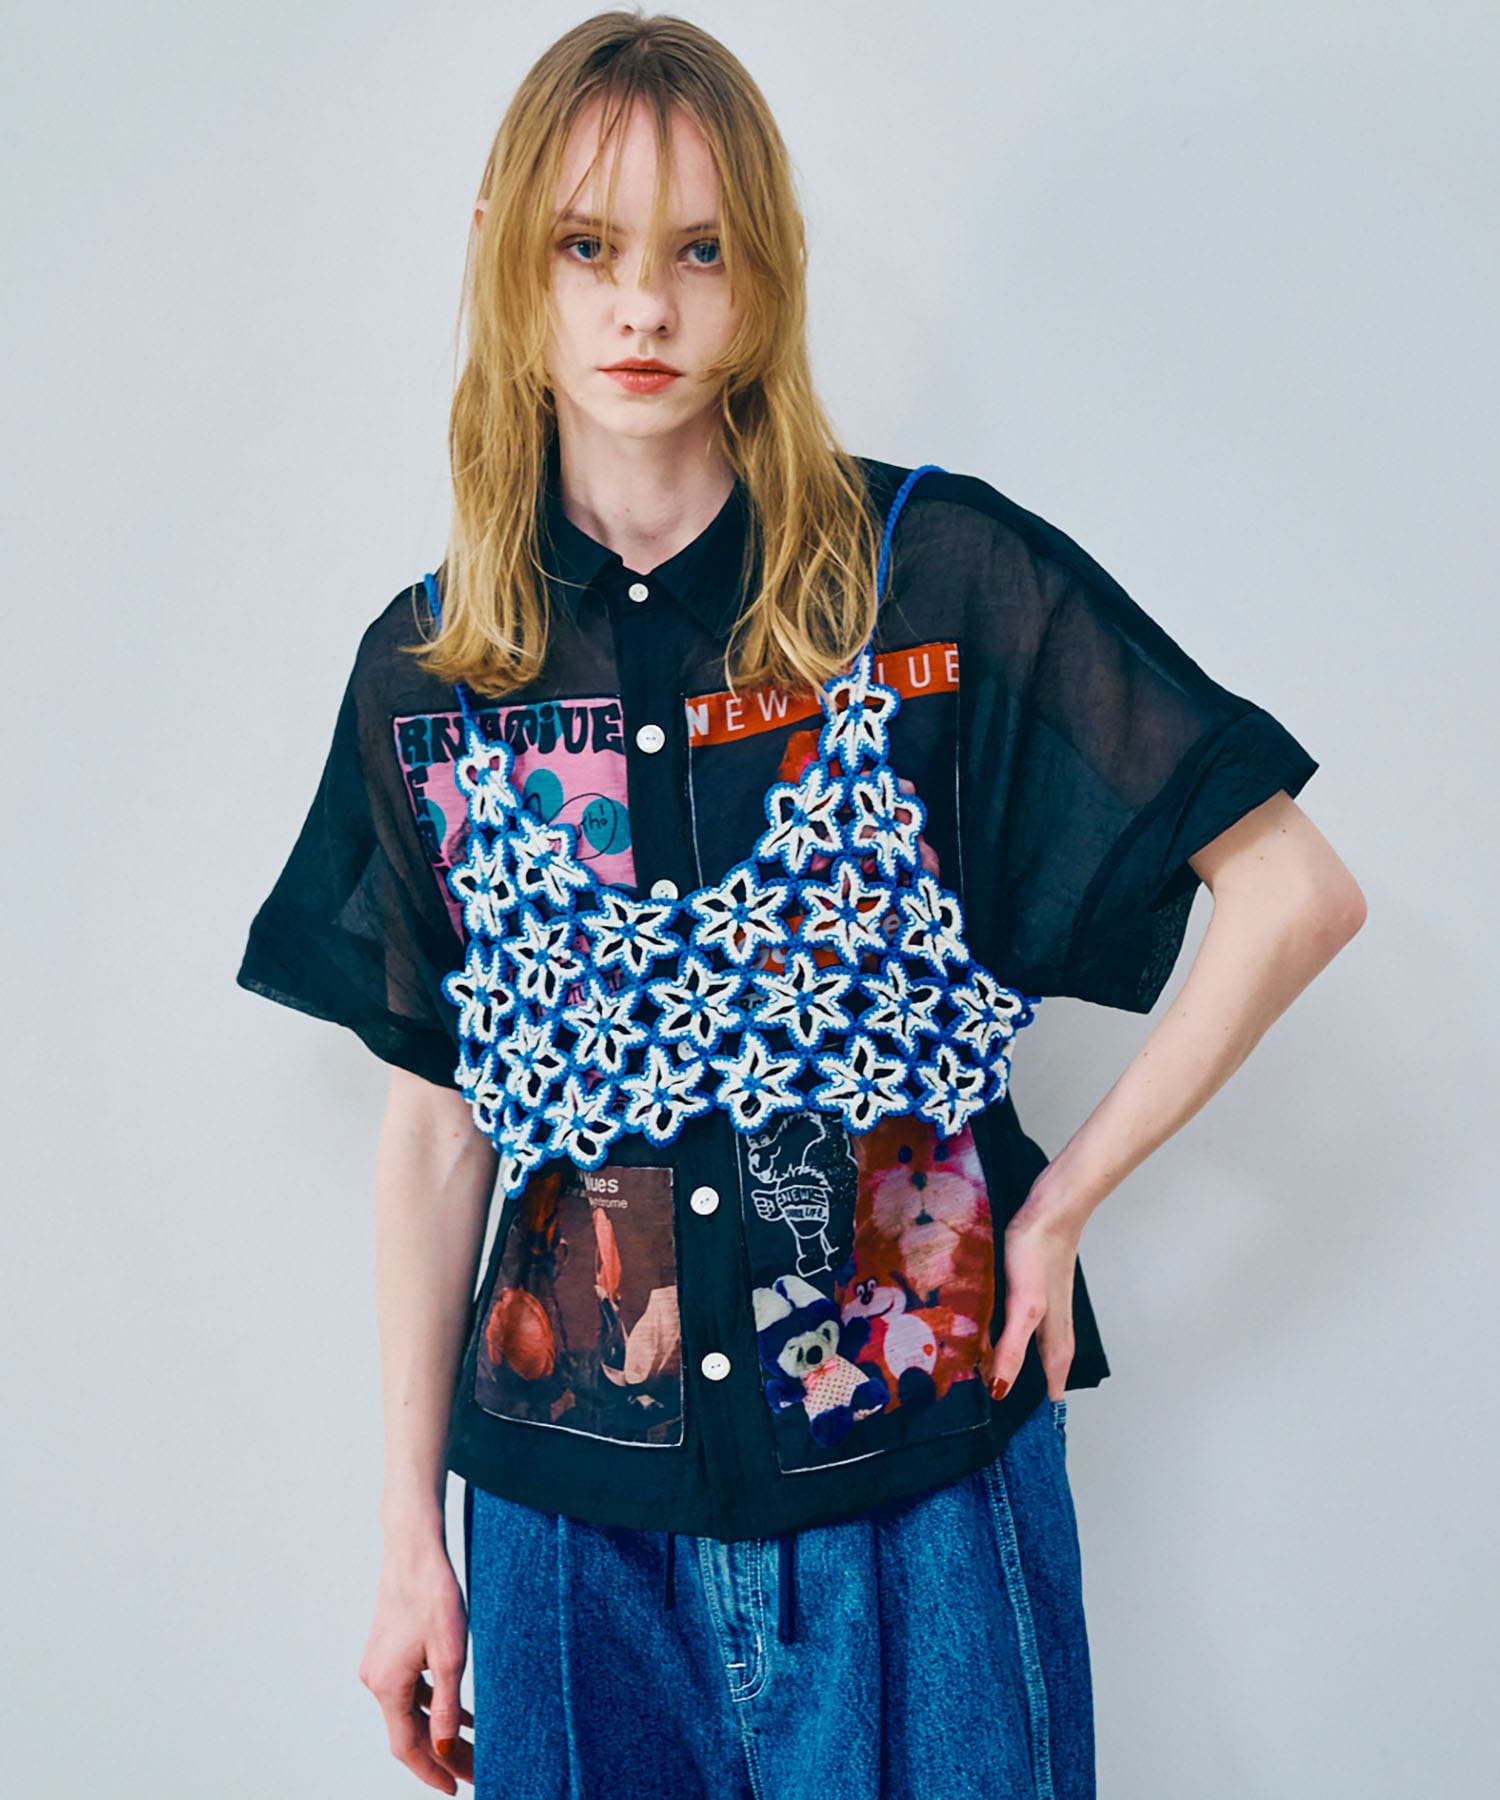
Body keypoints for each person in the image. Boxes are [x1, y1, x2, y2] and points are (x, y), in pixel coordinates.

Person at [235, 11, 1366, 1798]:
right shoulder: (438, 673)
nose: (643, 307)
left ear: (766, 271)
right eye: (588, 248)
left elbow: (1293, 890)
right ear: (506, 257)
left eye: (700, 251)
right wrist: (404, 1540)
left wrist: (1062, 1206)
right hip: (564, 1541)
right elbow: (438, 1121)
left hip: (919, 1496)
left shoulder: (937, 580)